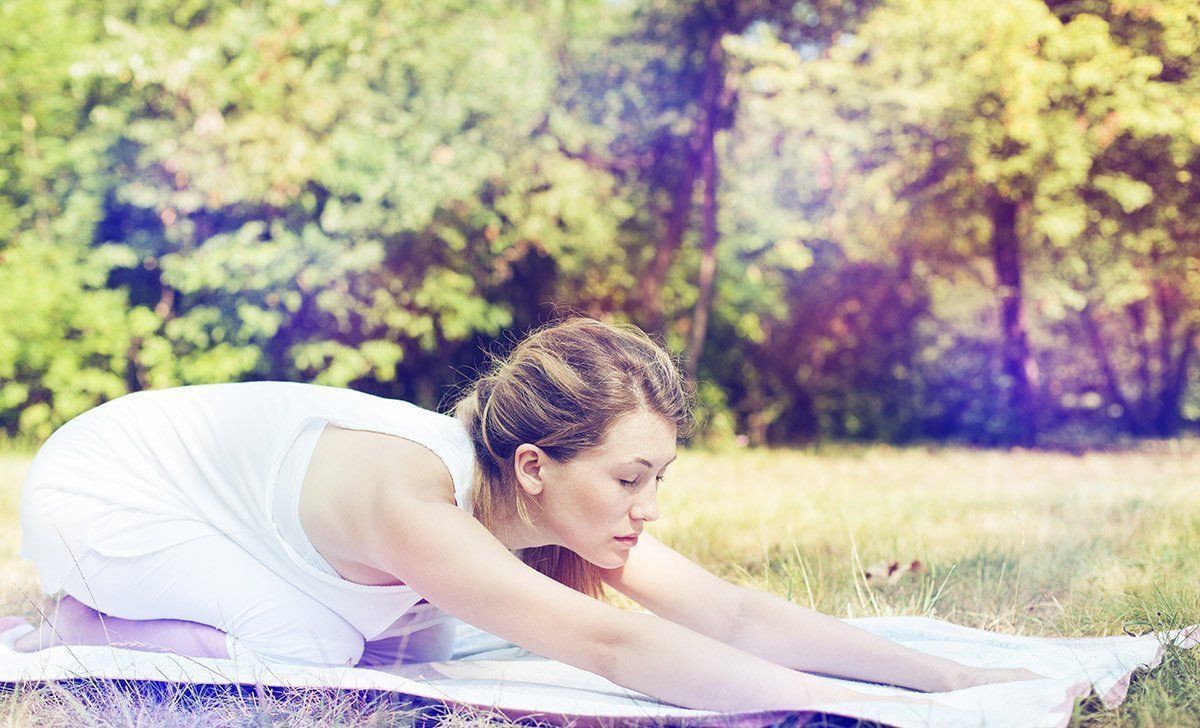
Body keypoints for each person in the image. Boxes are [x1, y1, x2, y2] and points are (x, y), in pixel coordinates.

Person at [1, 316, 1043, 712]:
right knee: (317, 641)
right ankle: (80, 622)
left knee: (419, 631)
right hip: (109, 483)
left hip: (222, 481)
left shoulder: (541, 503)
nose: (648, 505)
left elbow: (723, 616)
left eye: (658, 477)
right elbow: (610, 640)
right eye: (630, 476)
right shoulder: (418, 499)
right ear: (536, 463)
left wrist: (942, 678)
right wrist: (844, 711)